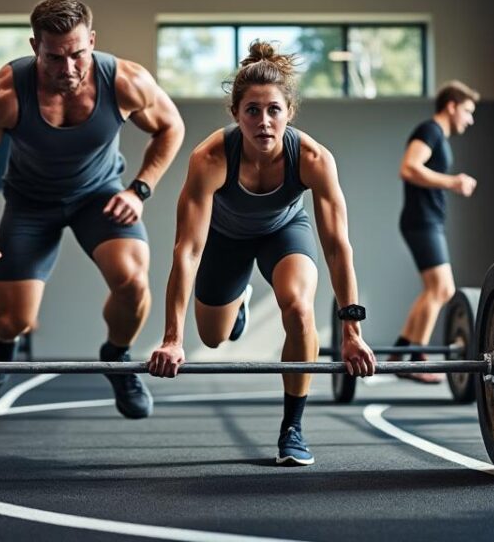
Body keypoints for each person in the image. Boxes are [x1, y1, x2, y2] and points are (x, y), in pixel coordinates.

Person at [0, 0, 184, 419]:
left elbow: (171, 127)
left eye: (77, 53)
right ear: (34, 47)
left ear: (92, 40)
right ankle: (3, 337)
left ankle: (116, 357)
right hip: (30, 205)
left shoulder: (126, 81)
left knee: (133, 282)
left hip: (99, 196)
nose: (69, 68)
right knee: (15, 320)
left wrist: (139, 190)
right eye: (54, 58)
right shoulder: (1, 94)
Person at [148, 40, 378, 466]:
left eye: (274, 110)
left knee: (299, 308)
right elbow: (187, 249)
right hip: (225, 239)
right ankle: (238, 305)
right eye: (252, 111)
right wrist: (171, 339)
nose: (264, 121)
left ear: (289, 112)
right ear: (236, 114)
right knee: (212, 338)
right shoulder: (211, 157)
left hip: (284, 232)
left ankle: (293, 428)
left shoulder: (312, 158)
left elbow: (336, 245)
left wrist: (351, 331)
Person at [390, 81, 478, 383]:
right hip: (422, 221)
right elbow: (409, 167)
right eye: (467, 111)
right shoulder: (430, 130)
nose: (470, 119)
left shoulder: (438, 135)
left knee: (434, 289)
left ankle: (400, 350)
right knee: (442, 290)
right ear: (451, 106)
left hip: (426, 220)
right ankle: (416, 359)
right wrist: (454, 182)